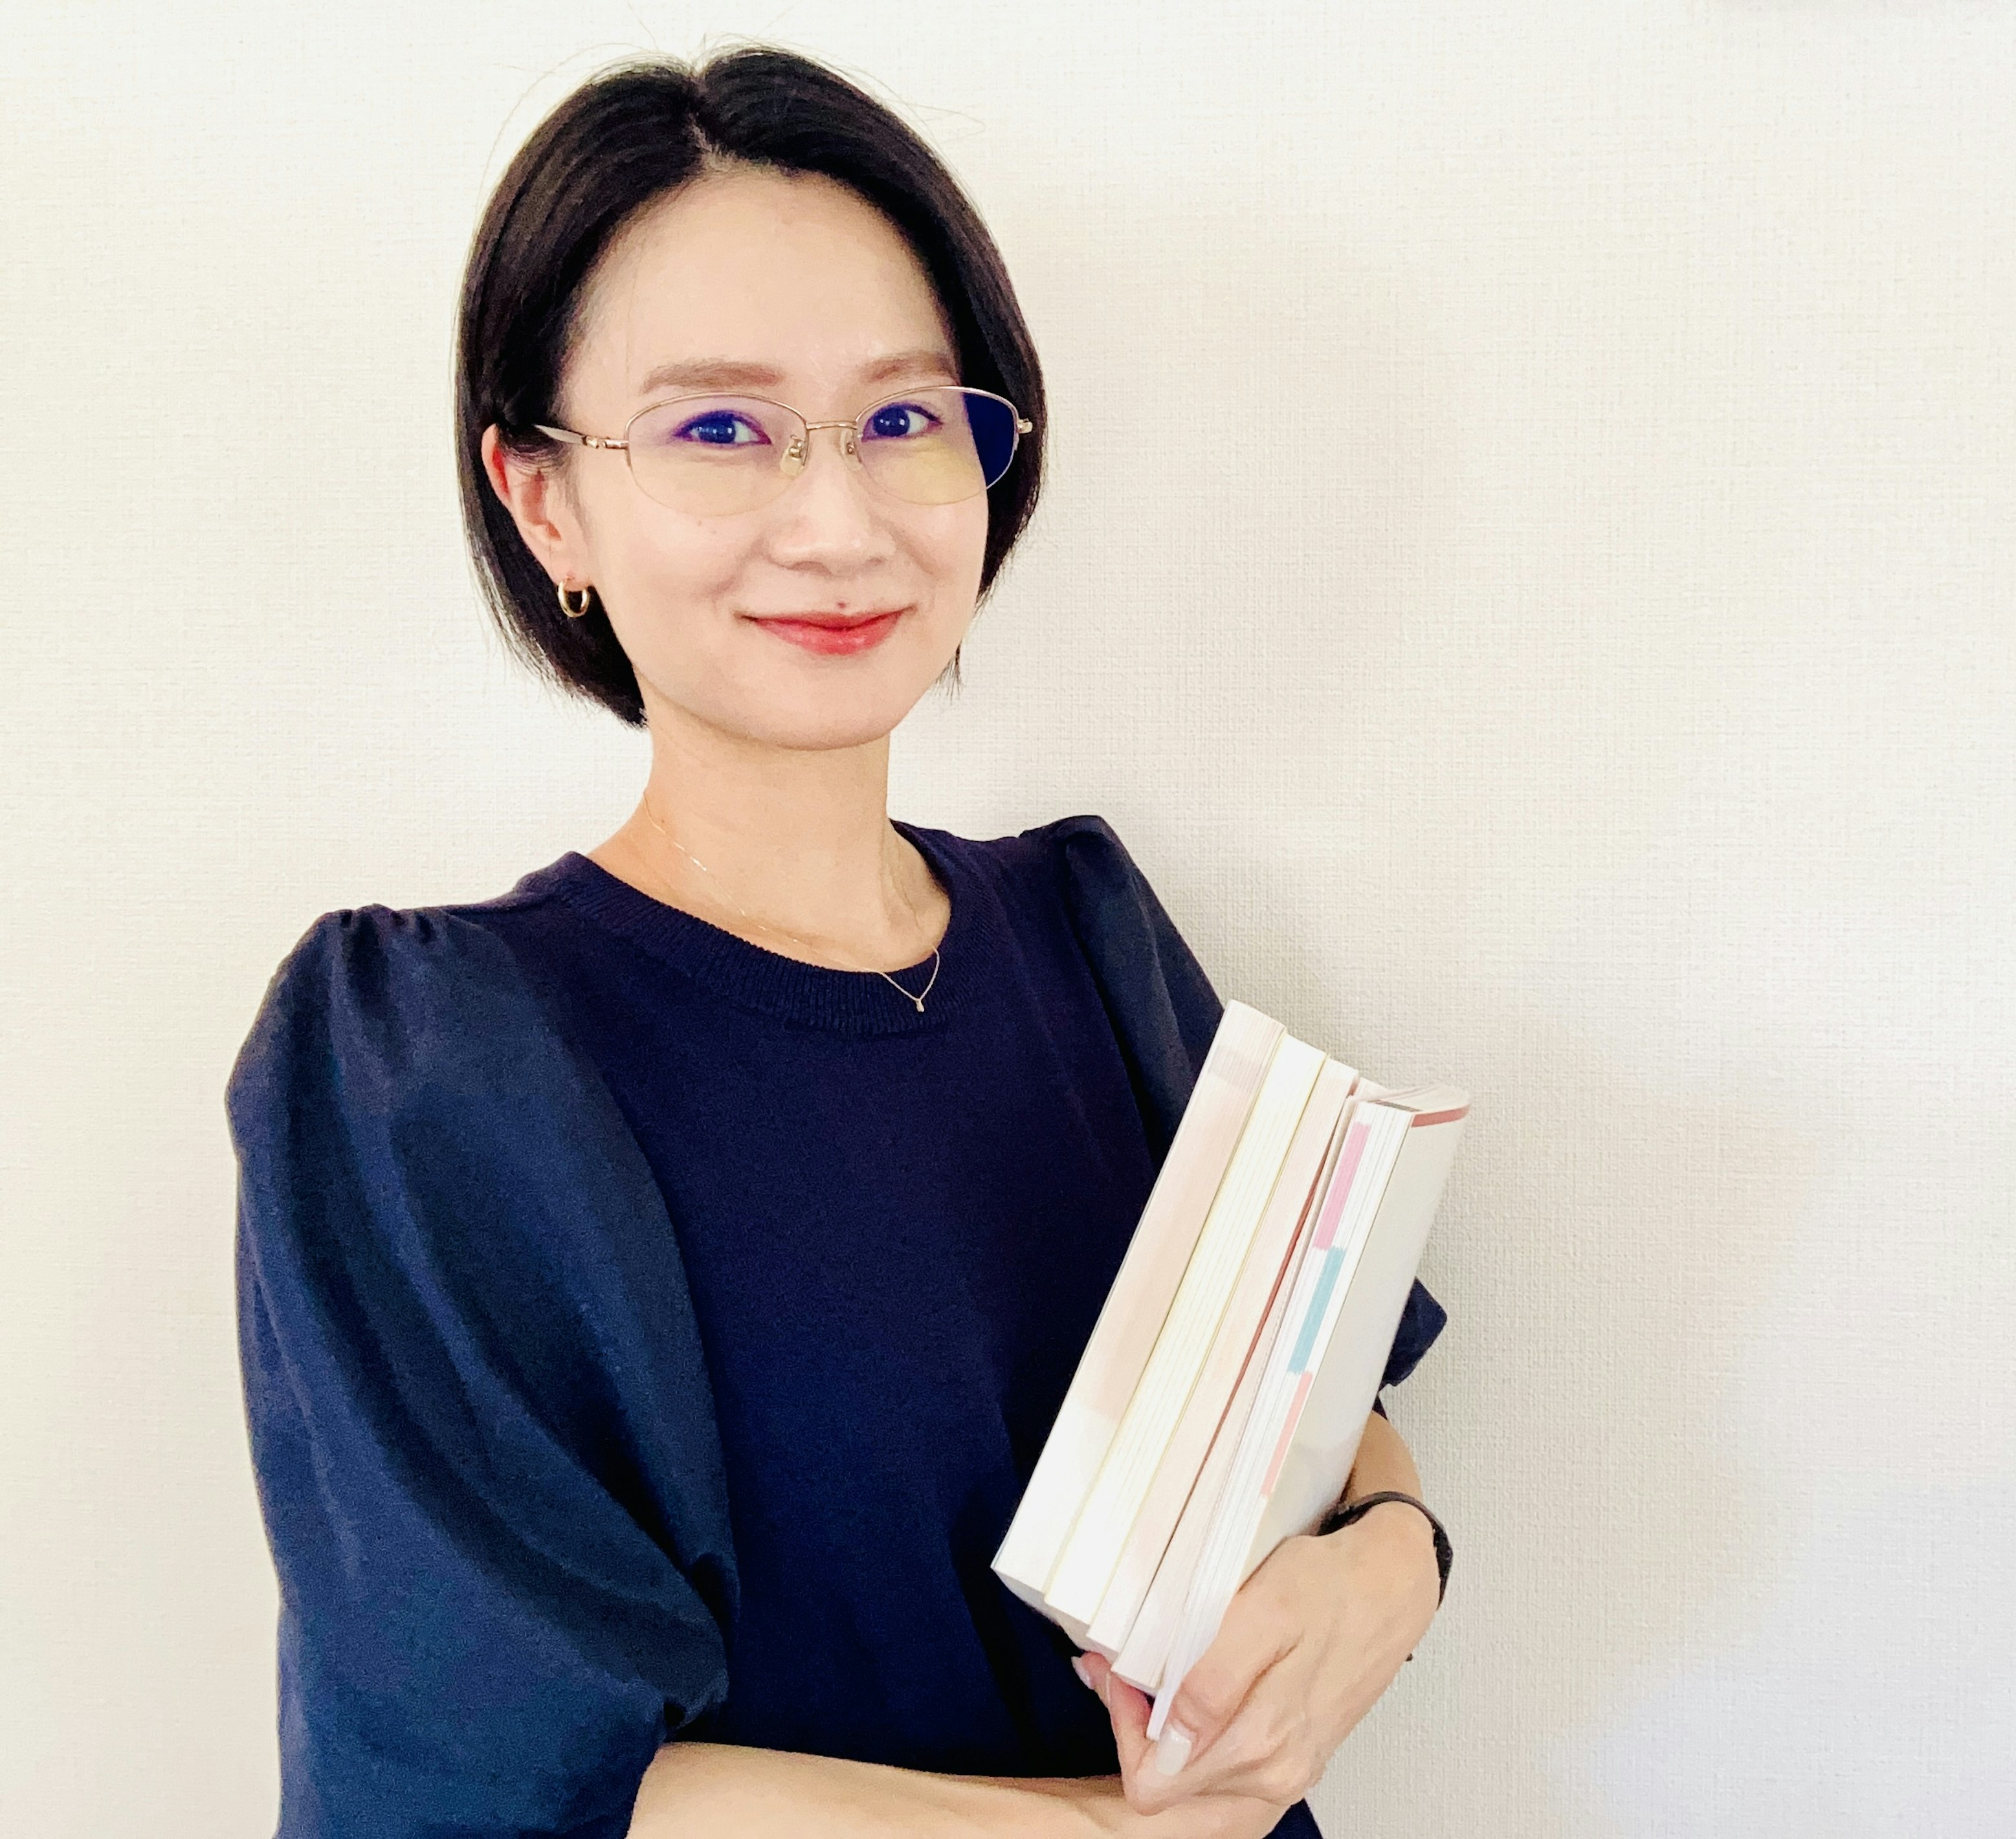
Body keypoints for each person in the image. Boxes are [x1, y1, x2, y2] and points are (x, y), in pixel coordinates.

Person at [224, 42, 1450, 1839]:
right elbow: (512, 1782)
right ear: (543, 494)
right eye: (719, 429)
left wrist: (1390, 1574)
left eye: (904, 417)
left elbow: (1331, 1422)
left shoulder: (1090, 943)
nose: (840, 517)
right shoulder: (424, 1065)